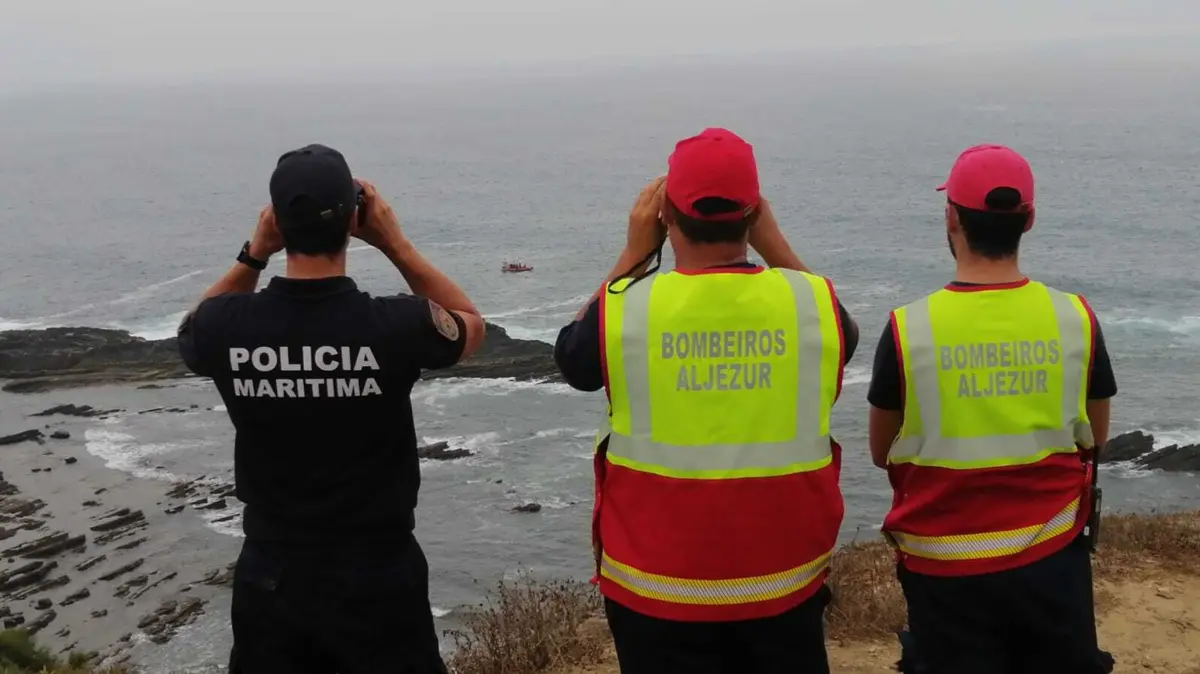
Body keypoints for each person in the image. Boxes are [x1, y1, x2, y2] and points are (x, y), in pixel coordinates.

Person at [555, 128, 859, 674]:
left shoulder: (626, 309)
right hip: (782, 582)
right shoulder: (811, 304)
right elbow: (844, 332)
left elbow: (573, 360)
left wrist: (632, 253)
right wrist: (774, 243)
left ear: (665, 214)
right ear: (754, 214)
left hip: (654, 587)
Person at [177, 144, 486, 674]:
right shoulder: (395, 326)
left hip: (272, 573)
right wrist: (394, 242)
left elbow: (190, 330)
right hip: (379, 572)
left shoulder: (225, 326)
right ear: (353, 219)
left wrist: (254, 253)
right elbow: (467, 324)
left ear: (275, 221)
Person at [867, 144, 1117, 674]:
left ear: (951, 217)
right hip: (1051, 559)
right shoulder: (1075, 318)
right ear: (1029, 219)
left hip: (944, 567)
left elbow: (880, 451)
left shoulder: (909, 329)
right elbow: (1093, 438)